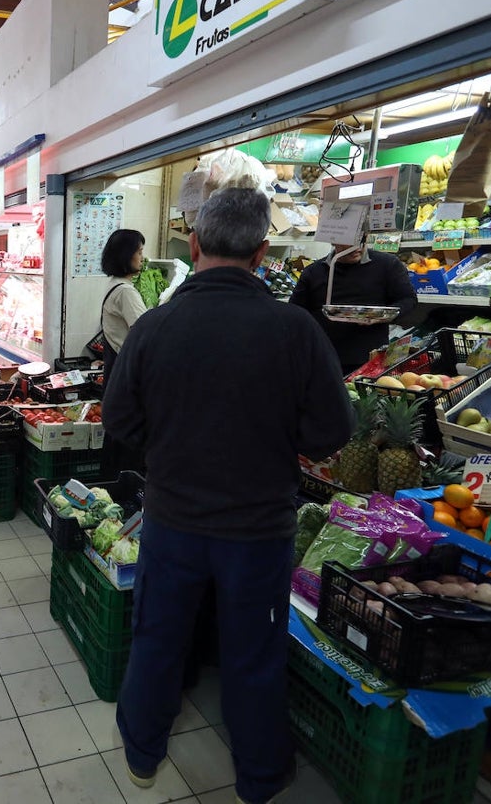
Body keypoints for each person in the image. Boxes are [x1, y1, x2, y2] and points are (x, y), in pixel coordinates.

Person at [102, 188, 353, 804]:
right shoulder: (295, 330)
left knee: (158, 636)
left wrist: (169, 448)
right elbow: (331, 434)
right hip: (259, 530)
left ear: (195, 244)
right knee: (254, 653)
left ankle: (142, 753)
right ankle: (260, 778)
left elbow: (119, 421)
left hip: (172, 521)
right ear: (263, 252)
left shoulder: (156, 326)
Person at [289, 238, 417, 375]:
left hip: (372, 359)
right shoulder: (314, 272)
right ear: (333, 240)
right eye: (349, 241)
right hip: (324, 358)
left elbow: (408, 299)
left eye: (362, 240)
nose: (357, 247)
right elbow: (295, 311)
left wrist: (383, 315)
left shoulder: (387, 264)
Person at [98, 229, 148, 476]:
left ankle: (113, 486)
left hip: (115, 373)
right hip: (128, 377)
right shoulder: (126, 292)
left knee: (116, 439)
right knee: (127, 447)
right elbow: (145, 333)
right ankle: (124, 493)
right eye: (138, 252)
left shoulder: (115, 286)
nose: (142, 257)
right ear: (126, 255)